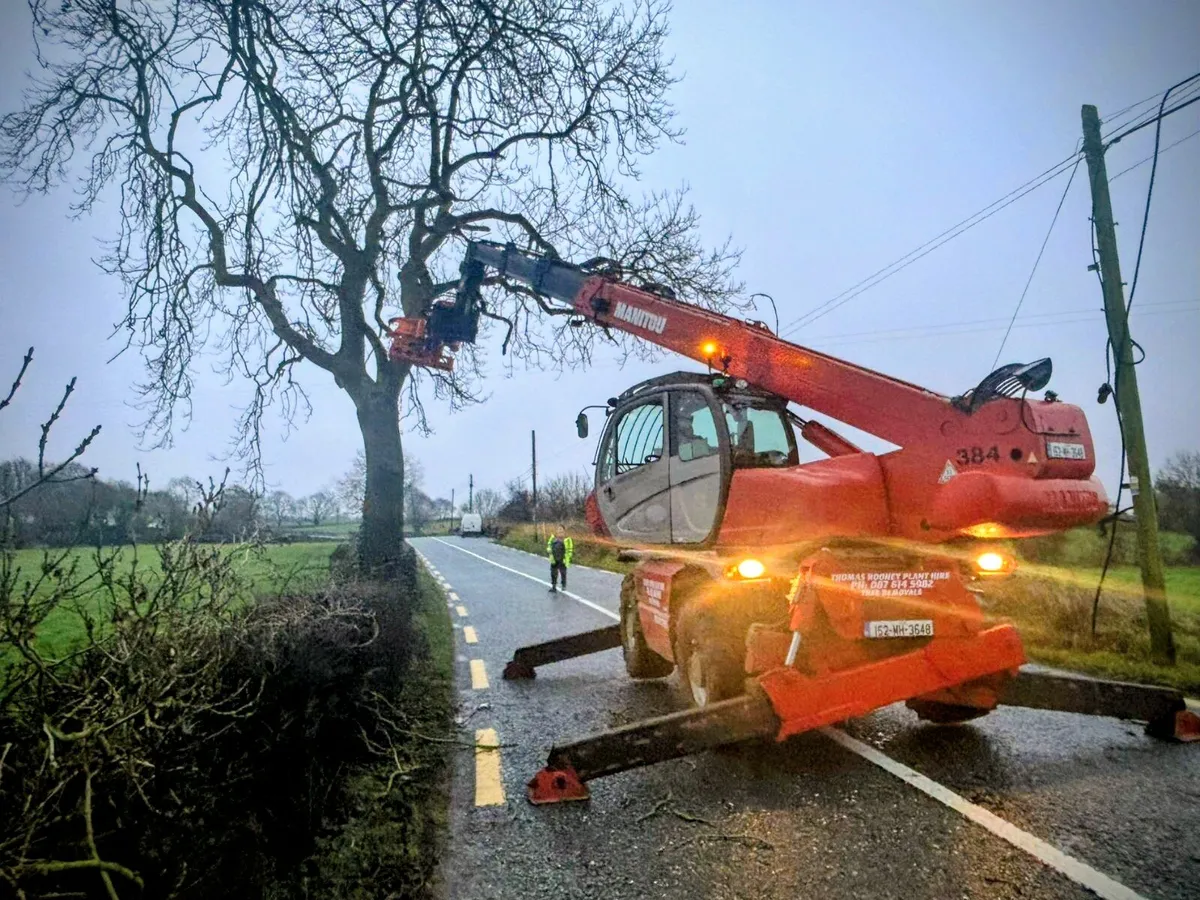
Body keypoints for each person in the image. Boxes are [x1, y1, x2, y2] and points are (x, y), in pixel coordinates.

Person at [546, 525, 573, 592]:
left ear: (564, 531)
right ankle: (554, 587)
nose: (560, 530)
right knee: (553, 573)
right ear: (556, 531)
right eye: (558, 529)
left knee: (563, 573)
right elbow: (549, 545)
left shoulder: (567, 540)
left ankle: (563, 585)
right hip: (554, 559)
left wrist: (567, 558)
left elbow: (570, 550)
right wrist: (548, 549)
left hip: (562, 559)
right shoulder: (553, 538)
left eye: (561, 529)